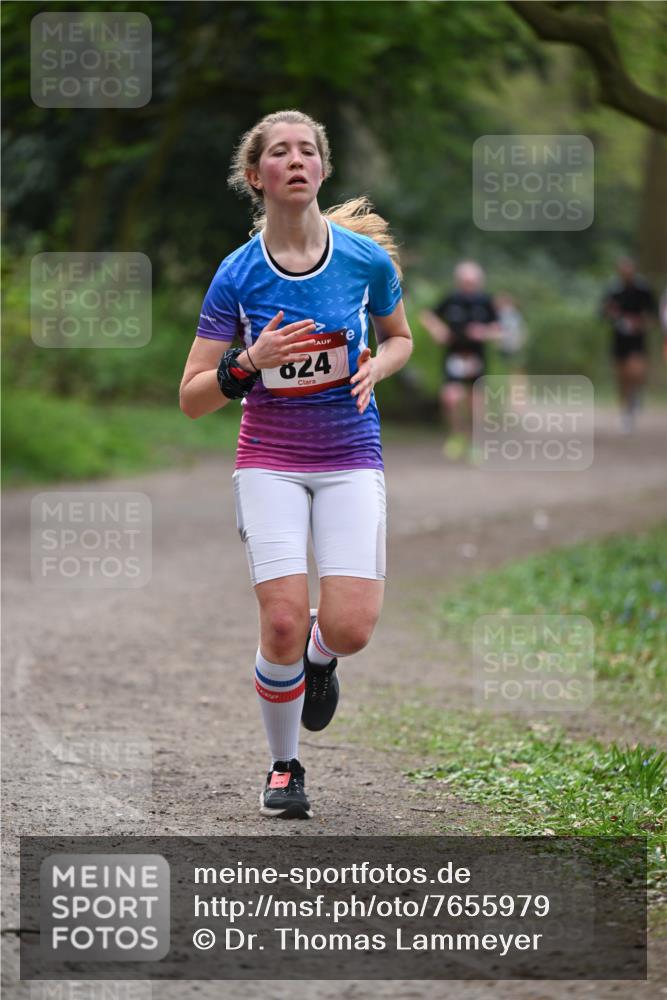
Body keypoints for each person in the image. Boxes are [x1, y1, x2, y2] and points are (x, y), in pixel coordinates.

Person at [179, 110, 413, 820]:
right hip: (270, 461)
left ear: (322, 168)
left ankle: (320, 657)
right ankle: (284, 767)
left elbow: (399, 338)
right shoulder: (237, 273)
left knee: (350, 630)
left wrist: (379, 368)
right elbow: (191, 398)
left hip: (349, 458)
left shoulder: (363, 261)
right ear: (257, 177)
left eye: (306, 149)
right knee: (277, 621)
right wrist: (249, 362)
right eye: (278, 152)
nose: (295, 159)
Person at [420, 261, 500, 460]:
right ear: (459, 281)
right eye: (465, 282)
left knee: (475, 403)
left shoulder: (486, 301)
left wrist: (484, 332)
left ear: (479, 282)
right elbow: (427, 315)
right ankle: (457, 435)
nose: (469, 285)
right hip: (454, 356)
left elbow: (500, 330)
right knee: (451, 398)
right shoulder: (451, 299)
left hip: (476, 357)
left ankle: (475, 441)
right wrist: (438, 330)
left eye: (472, 282)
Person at [600, 257, 658, 433]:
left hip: (637, 338)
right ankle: (626, 411)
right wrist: (611, 314)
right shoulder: (613, 289)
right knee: (622, 376)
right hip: (619, 338)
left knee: (636, 371)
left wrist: (641, 323)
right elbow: (602, 313)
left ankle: (636, 394)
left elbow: (653, 314)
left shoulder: (643, 289)